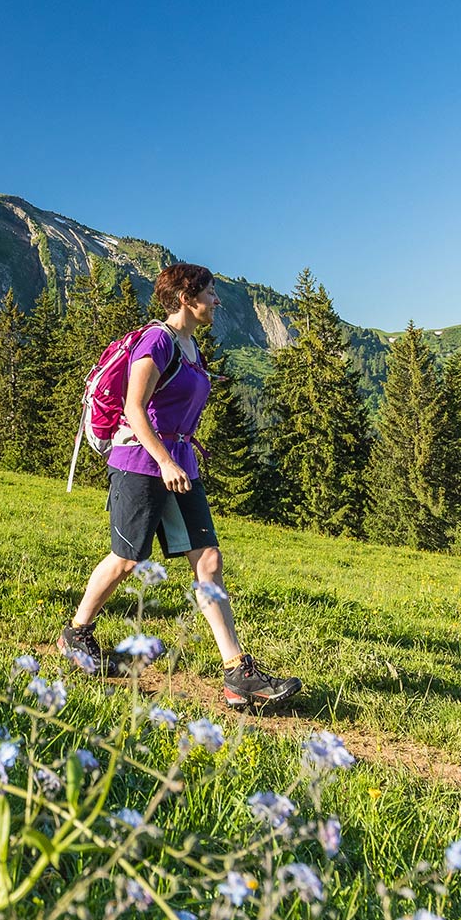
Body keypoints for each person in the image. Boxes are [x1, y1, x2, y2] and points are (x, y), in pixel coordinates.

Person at [58, 263, 303, 708]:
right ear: (187, 298)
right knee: (126, 560)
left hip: (180, 464)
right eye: (210, 293)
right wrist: (166, 460)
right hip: (141, 462)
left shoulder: (190, 347)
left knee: (207, 558)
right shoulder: (158, 341)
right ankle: (77, 633)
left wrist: (178, 461)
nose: (216, 300)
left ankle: (236, 674)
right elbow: (134, 409)